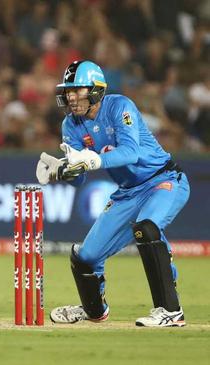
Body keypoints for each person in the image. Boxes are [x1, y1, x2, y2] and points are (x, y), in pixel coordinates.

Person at [35, 60, 190, 327]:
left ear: (96, 90)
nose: (71, 97)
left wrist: (93, 159)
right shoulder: (70, 125)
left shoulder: (120, 107)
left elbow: (131, 153)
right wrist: (63, 171)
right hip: (129, 192)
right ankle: (93, 310)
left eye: (78, 90)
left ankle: (170, 311)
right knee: (85, 258)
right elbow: (79, 179)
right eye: (68, 91)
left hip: (163, 180)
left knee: (147, 228)